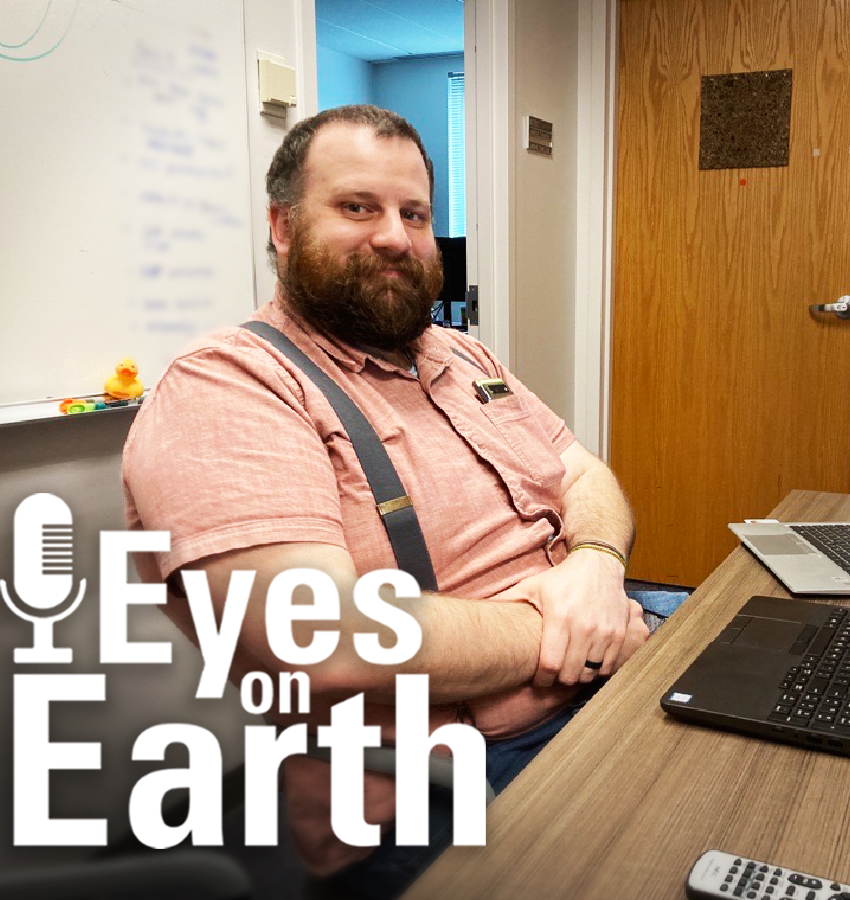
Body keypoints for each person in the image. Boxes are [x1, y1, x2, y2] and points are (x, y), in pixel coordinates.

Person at [122, 104, 650, 898]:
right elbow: (322, 642)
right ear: (283, 225)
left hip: (606, 673)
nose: (396, 237)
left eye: (415, 214)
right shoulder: (229, 385)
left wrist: (599, 566)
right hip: (444, 791)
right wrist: (565, 626)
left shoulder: (462, 353)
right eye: (358, 207)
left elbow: (584, 474)